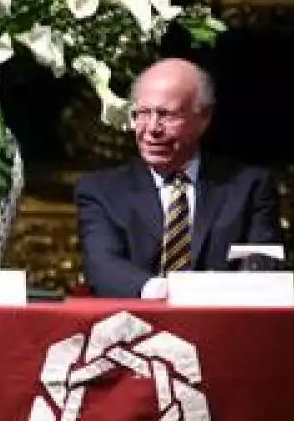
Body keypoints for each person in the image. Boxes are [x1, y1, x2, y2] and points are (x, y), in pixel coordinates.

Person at [75, 58, 281, 298]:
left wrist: (200, 296)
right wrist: (166, 293)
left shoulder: (249, 186)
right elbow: (102, 266)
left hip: (222, 325)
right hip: (136, 326)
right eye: (142, 113)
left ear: (203, 118)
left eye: (166, 115)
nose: (152, 128)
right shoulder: (100, 190)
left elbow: (262, 271)